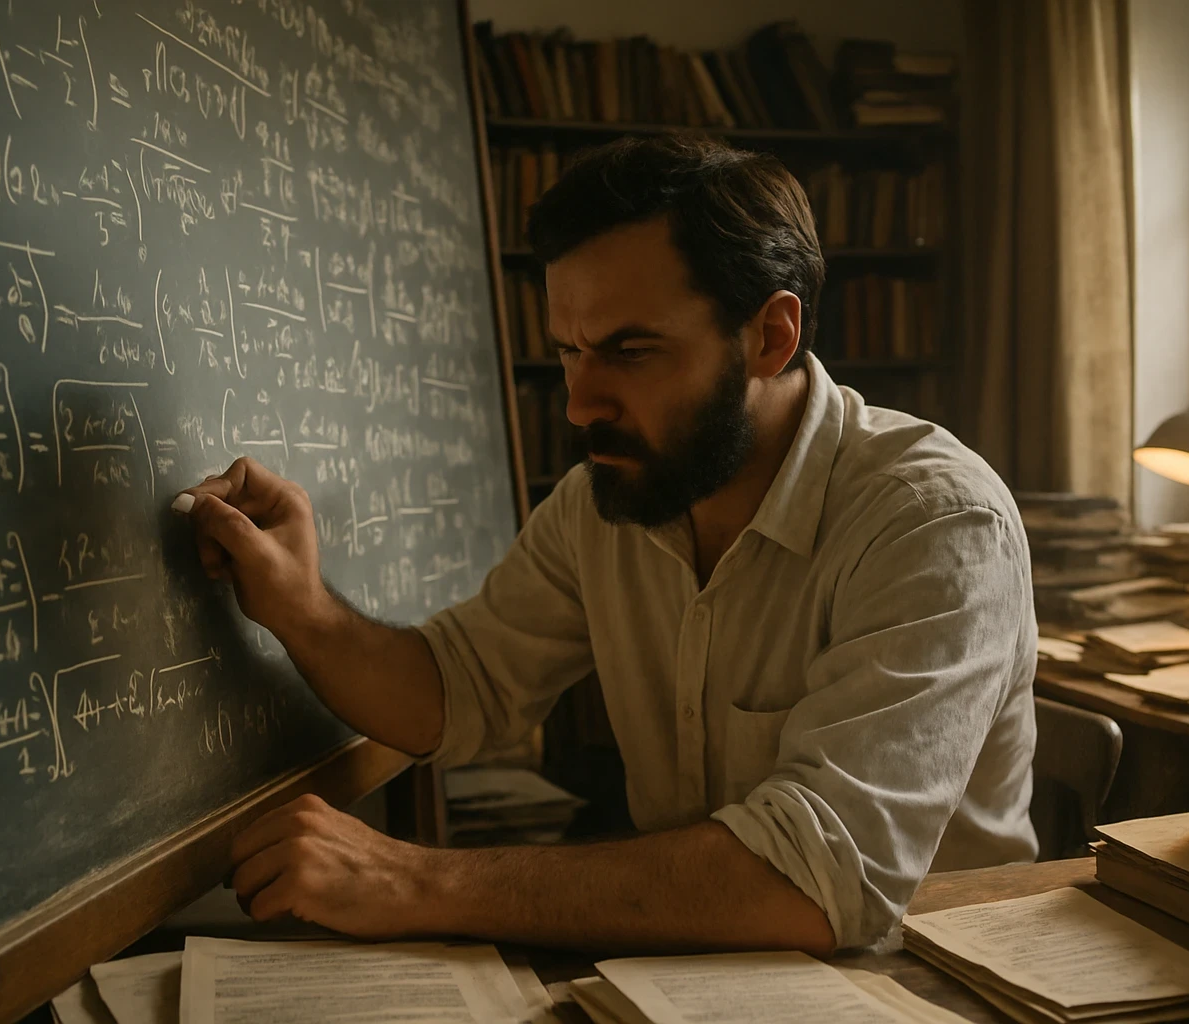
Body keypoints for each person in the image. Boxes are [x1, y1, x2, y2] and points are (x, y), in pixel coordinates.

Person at [176, 134, 1037, 957]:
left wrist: (413, 880)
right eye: (569, 352)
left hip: (923, 984)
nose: (579, 405)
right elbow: (455, 691)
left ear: (770, 337)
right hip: (701, 977)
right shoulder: (609, 501)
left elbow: (816, 878)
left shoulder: (934, 522)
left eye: (631, 351)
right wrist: (301, 607)